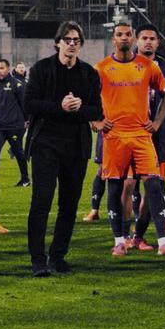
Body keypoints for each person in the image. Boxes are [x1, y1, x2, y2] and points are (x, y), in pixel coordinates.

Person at [94, 22, 165, 258]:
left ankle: (163, 242)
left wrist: (158, 123)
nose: (124, 38)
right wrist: (96, 121)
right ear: (113, 39)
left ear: (132, 39)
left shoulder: (147, 66)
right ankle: (119, 241)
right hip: (114, 137)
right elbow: (87, 96)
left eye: (128, 34)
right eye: (119, 34)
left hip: (142, 136)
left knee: (154, 185)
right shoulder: (101, 68)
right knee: (116, 187)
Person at [24, 21, 104, 275]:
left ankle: (57, 257)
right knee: (41, 202)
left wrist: (80, 107)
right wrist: (60, 107)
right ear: (57, 42)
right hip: (45, 144)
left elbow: (98, 111)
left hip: (76, 147)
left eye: (76, 41)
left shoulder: (89, 73)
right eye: (67, 40)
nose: (71, 44)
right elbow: (29, 104)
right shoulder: (41, 69)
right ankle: (38, 259)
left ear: (80, 45)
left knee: (68, 206)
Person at [131, 24, 165, 243]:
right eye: (144, 38)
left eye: (152, 38)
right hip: (132, 134)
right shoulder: (127, 64)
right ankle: (130, 230)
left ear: (158, 42)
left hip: (158, 136)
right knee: (130, 183)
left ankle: (159, 224)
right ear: (137, 40)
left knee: (157, 182)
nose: (148, 42)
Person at [0, 58, 29, 188]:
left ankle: (25, 179)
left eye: (2, 68)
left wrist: (27, 120)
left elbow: (24, 105)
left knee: (18, 153)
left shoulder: (17, 85)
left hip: (14, 126)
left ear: (8, 69)